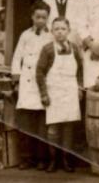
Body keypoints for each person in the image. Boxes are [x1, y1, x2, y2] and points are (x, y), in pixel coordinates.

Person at [36, 17, 84, 173]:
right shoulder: (47, 49)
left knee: (69, 126)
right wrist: (44, 94)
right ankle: (53, 160)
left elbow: (80, 70)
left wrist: (79, 88)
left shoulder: (75, 48)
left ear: (68, 31)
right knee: (53, 128)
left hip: (70, 90)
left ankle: (66, 160)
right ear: (52, 31)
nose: (60, 32)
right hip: (53, 91)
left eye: (63, 29)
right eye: (56, 29)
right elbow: (39, 72)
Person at [12, 1, 52, 170]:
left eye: (44, 17)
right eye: (38, 17)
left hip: (43, 83)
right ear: (32, 17)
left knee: (43, 125)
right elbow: (17, 57)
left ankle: (42, 158)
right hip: (27, 83)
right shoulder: (25, 35)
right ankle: (26, 158)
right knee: (26, 123)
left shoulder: (51, 36)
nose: (41, 20)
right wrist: (16, 79)